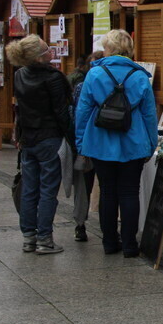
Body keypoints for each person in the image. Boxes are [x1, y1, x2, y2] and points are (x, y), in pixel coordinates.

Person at [76, 30, 157, 257]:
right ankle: (130, 244)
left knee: (107, 192)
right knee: (130, 192)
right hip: (134, 142)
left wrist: (80, 142)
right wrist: (152, 143)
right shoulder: (140, 76)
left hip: (100, 142)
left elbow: (82, 112)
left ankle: (110, 242)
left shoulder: (94, 74)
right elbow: (150, 115)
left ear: (109, 48)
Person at [7, 34, 71, 255]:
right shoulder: (53, 78)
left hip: (28, 138)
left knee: (29, 189)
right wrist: (73, 139)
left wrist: (19, 135)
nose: (51, 53)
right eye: (47, 50)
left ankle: (29, 237)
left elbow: (19, 110)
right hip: (49, 137)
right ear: (39, 58)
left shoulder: (20, 75)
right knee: (47, 191)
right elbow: (62, 112)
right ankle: (45, 238)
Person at [69, 50, 103, 242]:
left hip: (87, 143)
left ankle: (80, 224)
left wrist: (78, 142)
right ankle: (107, 228)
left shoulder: (82, 86)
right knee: (103, 186)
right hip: (104, 143)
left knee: (84, 185)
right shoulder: (113, 84)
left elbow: (76, 115)